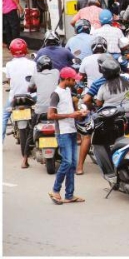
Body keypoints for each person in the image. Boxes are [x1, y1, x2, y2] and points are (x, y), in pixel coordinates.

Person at [47, 67, 87, 205]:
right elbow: (50, 115)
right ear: (66, 79)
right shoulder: (56, 94)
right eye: (73, 79)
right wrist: (70, 115)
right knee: (67, 162)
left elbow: (70, 109)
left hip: (71, 130)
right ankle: (55, 190)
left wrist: (79, 113)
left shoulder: (68, 90)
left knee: (72, 165)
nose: (75, 82)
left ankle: (69, 195)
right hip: (62, 132)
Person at [27, 55, 60, 167]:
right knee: (64, 130)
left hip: (40, 111)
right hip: (55, 109)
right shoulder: (56, 72)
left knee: (31, 132)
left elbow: (30, 87)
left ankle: (24, 160)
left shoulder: (36, 75)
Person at [3, 39, 37, 143]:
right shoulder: (32, 64)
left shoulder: (8, 65)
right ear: (26, 50)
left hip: (15, 97)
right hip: (31, 96)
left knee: (4, 116)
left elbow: (9, 80)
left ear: (11, 51)